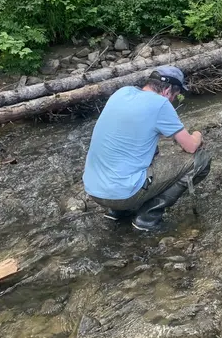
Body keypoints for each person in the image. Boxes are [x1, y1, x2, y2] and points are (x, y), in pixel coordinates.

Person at [82, 66, 210, 231]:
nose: (173, 100)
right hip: (122, 195)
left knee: (149, 150)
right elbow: (191, 147)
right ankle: (148, 218)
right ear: (167, 90)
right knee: (201, 160)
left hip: (94, 190)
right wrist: (198, 134)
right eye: (175, 95)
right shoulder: (161, 104)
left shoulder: (122, 93)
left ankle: (118, 213)